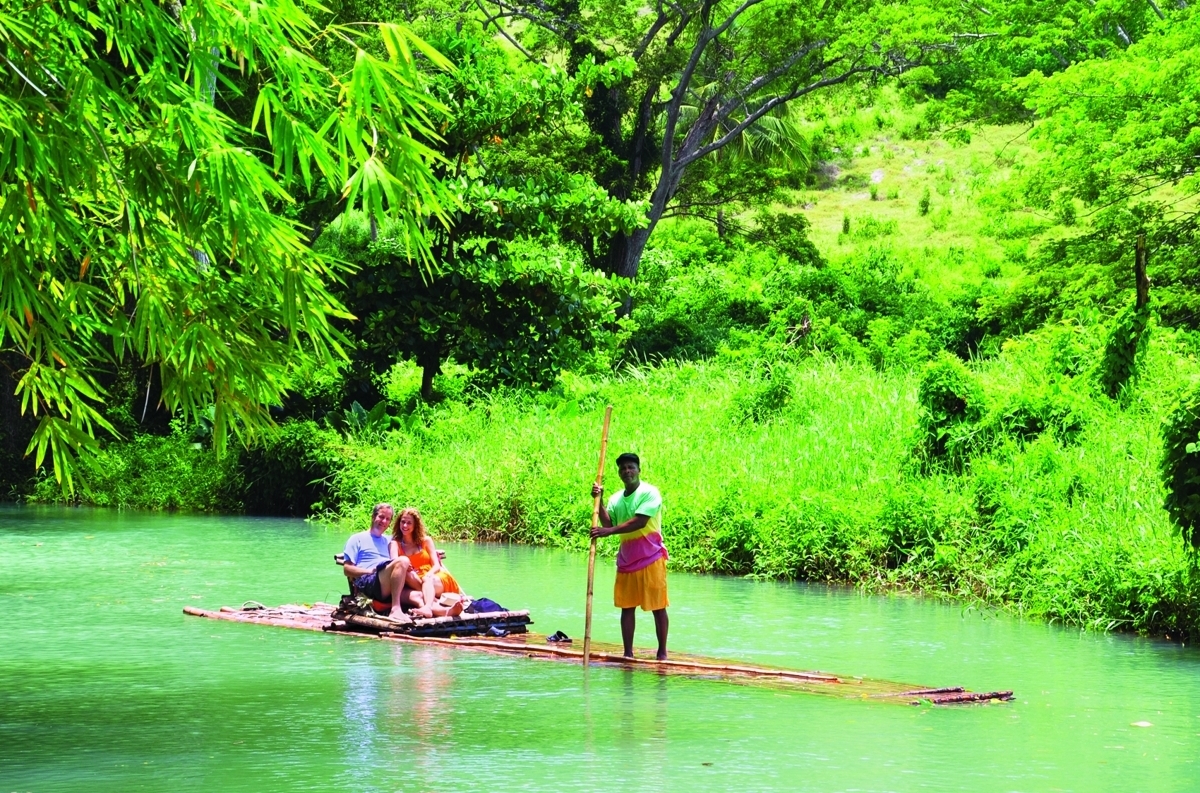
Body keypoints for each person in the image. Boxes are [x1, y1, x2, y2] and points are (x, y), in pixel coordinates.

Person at [591, 452, 669, 660]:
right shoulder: (616, 498)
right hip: (627, 560)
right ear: (619, 473)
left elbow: (639, 522)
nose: (627, 471)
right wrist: (599, 501)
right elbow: (608, 523)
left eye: (631, 467)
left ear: (638, 470)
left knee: (658, 607)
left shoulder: (650, 493)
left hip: (651, 557)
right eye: (623, 468)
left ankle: (662, 653)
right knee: (627, 608)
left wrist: (609, 531)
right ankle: (628, 653)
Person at [341, 503, 416, 617]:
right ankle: (395, 609)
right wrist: (370, 571)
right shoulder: (357, 539)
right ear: (373, 517)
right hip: (369, 582)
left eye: (387, 519)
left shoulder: (389, 540)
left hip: (389, 583)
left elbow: (411, 545)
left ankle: (447, 610)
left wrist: (431, 553)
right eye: (381, 517)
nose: (384, 521)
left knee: (418, 596)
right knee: (403, 561)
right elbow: (347, 569)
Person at [390, 507, 464, 619]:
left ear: (415, 525)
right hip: (413, 579)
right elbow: (394, 563)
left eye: (409, 523)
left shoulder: (426, 540)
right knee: (410, 576)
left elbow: (436, 565)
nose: (405, 526)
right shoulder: (395, 544)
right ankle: (445, 610)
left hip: (434, 577)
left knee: (426, 580)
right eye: (403, 522)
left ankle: (428, 607)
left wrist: (429, 574)